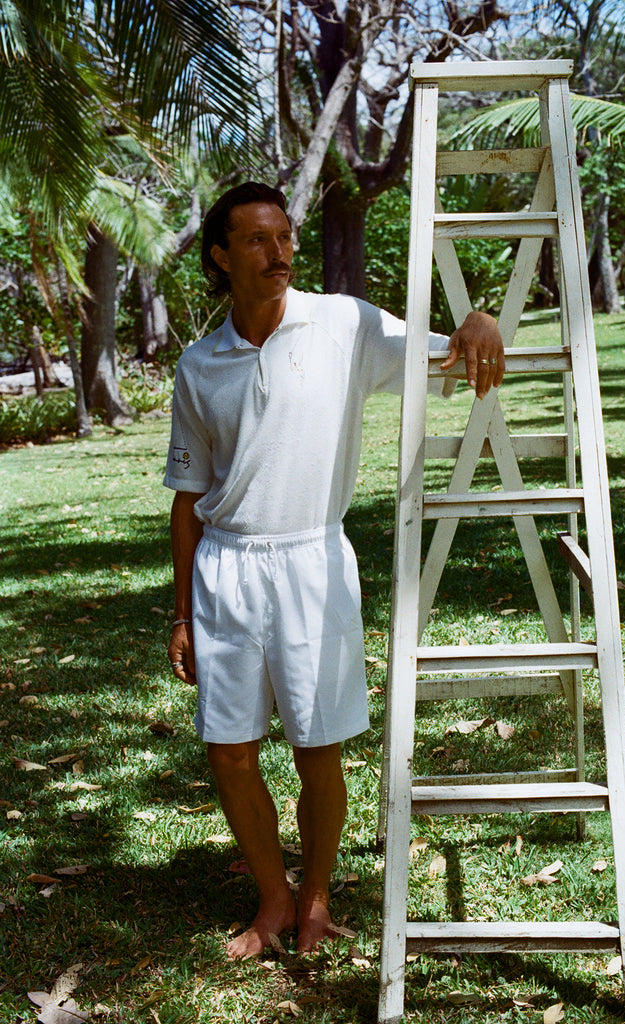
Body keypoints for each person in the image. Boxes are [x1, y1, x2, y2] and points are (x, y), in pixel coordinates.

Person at [164, 181, 504, 961]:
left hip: (312, 557)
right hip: (226, 565)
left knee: (317, 747)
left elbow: (446, 351)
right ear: (221, 256)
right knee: (229, 749)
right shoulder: (199, 362)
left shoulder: (344, 322)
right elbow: (187, 500)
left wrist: (479, 318)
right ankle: (273, 898)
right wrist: (180, 612)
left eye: (284, 236)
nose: (278, 252)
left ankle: (315, 898)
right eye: (256, 240)